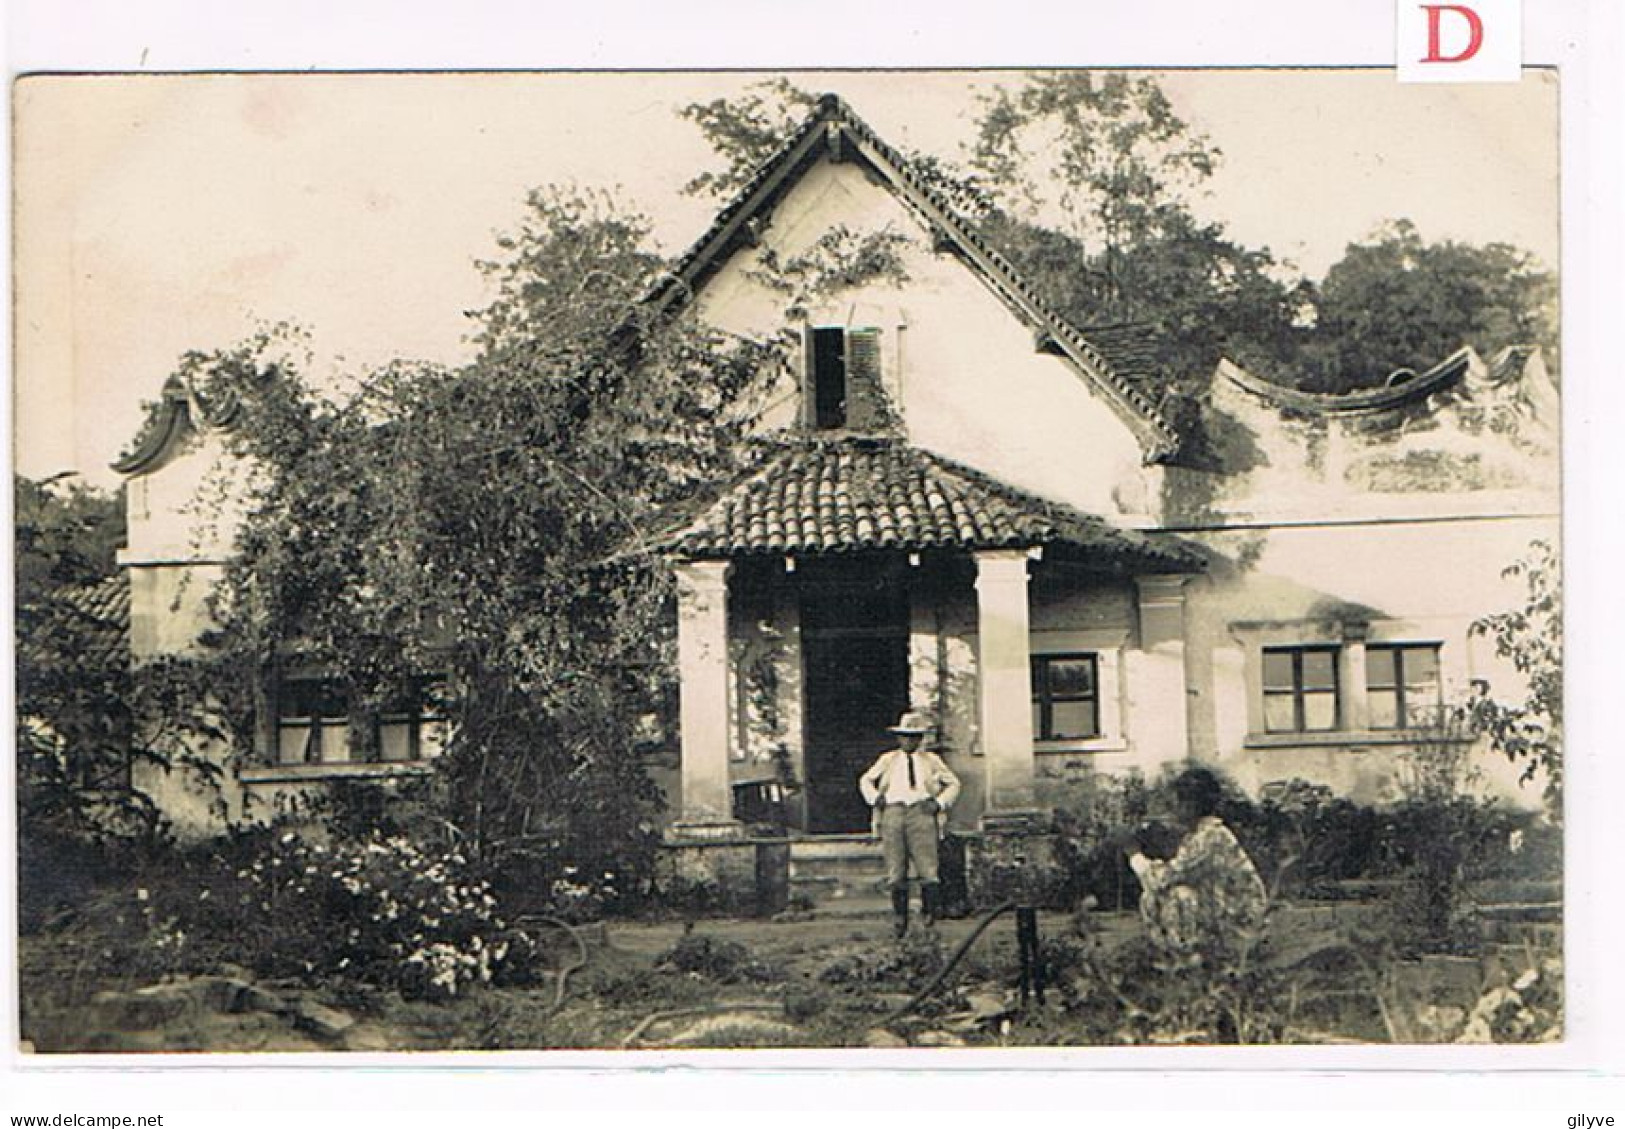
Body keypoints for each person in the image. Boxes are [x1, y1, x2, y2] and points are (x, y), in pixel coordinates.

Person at [1122, 766, 1267, 967]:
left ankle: (1187, 960)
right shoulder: (1203, 833)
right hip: (1225, 912)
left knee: (1179, 895)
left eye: (1174, 805)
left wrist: (1135, 855)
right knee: (1154, 895)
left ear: (1191, 806)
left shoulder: (1209, 837)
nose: (1171, 812)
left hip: (1241, 924)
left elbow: (1165, 878)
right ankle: (1176, 955)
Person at [858, 710, 961, 938]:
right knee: (896, 869)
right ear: (898, 738)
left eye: (914, 736)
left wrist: (939, 803)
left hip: (921, 813)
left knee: (928, 867)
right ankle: (900, 919)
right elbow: (865, 779)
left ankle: (929, 917)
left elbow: (953, 783)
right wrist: (875, 798)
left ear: (921, 739)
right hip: (893, 813)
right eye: (905, 736)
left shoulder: (931, 761)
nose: (909, 741)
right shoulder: (888, 760)